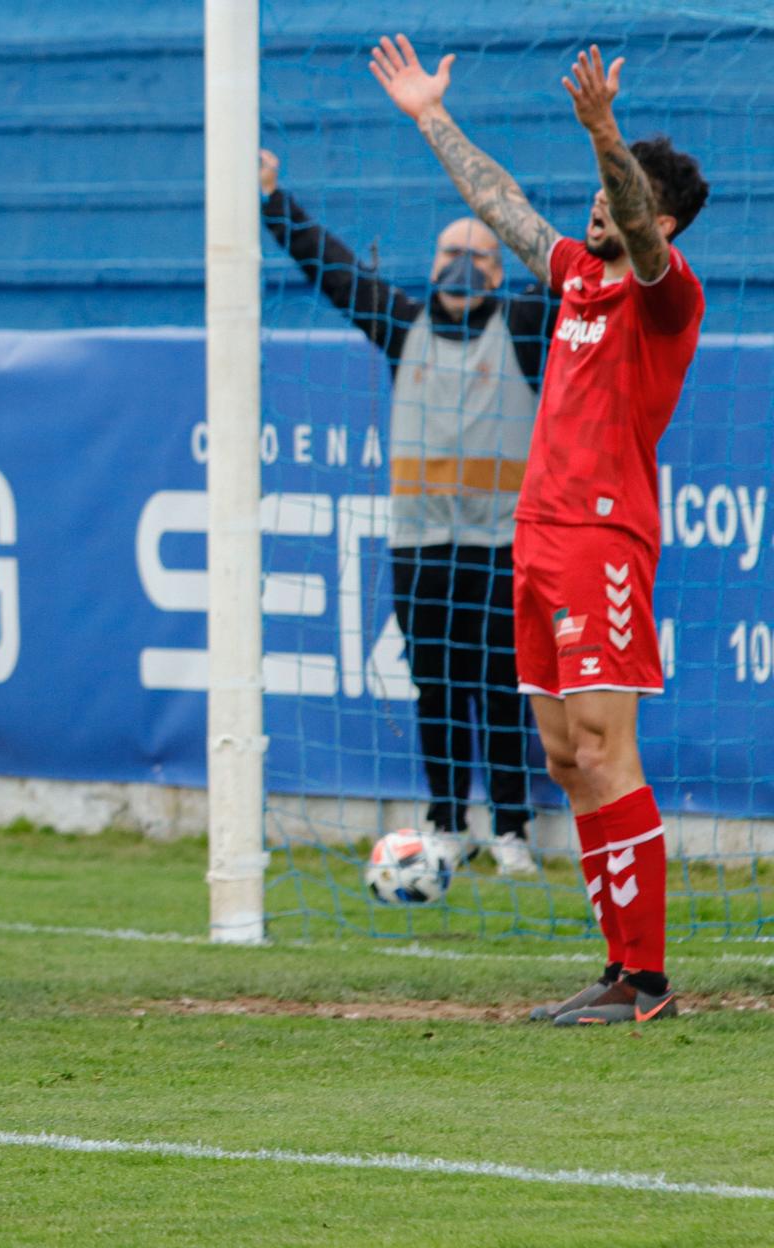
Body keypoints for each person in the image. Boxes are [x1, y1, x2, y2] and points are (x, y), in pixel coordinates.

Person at [373, 38, 707, 1023]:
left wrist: (605, 132)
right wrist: (429, 116)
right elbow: (502, 205)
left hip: (603, 539)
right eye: (603, 186)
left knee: (606, 745)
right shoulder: (570, 277)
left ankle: (644, 978)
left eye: (622, 193)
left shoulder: (663, 291)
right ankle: (616, 967)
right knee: (564, 758)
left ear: (660, 217)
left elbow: (639, 235)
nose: (599, 202)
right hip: (538, 537)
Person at [259, 149, 549, 876]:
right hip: (421, 547)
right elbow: (336, 273)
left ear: (499, 264)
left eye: (480, 254)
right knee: (438, 688)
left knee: (501, 691)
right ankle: (445, 820)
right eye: (452, 251)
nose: (464, 265)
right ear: (432, 259)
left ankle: (511, 828)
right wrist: (272, 198)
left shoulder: (520, 326)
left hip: (500, 547)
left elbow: (561, 271)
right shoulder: (403, 325)